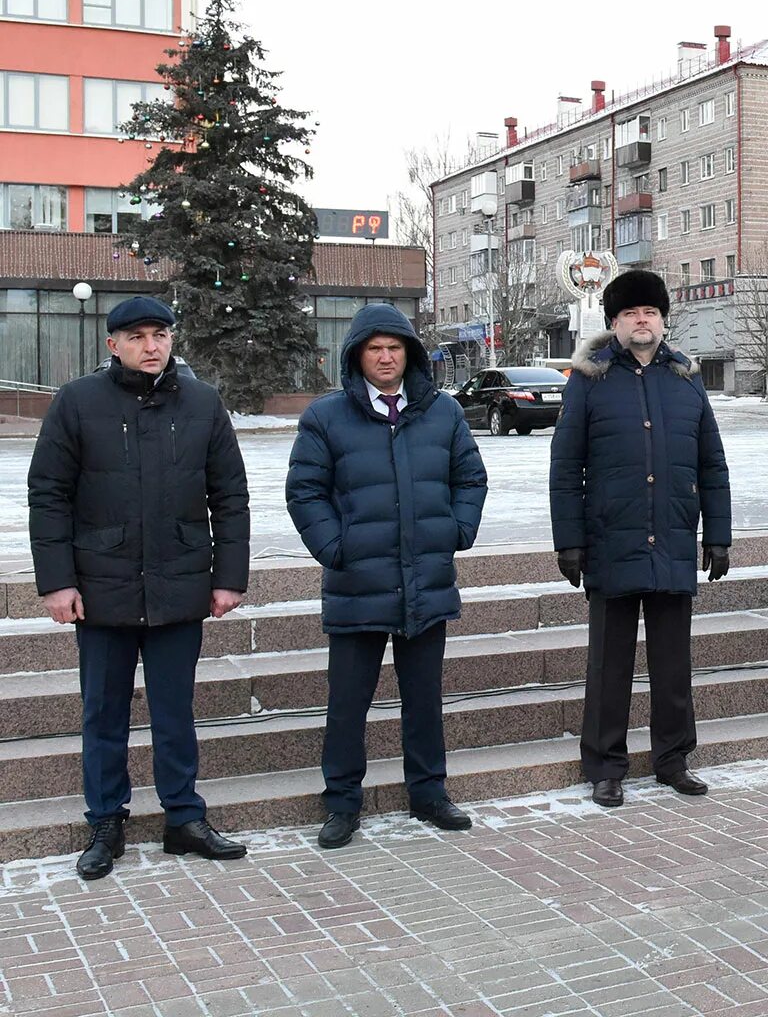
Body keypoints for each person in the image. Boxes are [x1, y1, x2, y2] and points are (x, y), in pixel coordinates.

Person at [27, 296, 250, 879]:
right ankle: (106, 822)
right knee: (103, 711)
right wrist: (57, 583)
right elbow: (48, 495)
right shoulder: (77, 403)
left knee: (176, 710)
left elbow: (229, 497)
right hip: (102, 589)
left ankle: (184, 818)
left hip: (179, 584)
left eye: (161, 334)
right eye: (139, 336)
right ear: (113, 345)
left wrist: (228, 577)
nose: (152, 346)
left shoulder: (202, 402)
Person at [287, 304, 489, 849]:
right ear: (357, 356)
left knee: (424, 698)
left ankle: (429, 793)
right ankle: (342, 804)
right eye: (374, 348)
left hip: (425, 580)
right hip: (358, 584)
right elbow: (304, 491)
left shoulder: (442, 413)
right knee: (348, 703)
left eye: (394, 347)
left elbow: (470, 477)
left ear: (409, 355)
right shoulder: (326, 417)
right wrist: (336, 547)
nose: (384, 357)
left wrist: (457, 530)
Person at [551, 269, 731, 806]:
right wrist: (570, 541)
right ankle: (606, 765)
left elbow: (711, 461)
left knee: (674, 664)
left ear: (663, 320)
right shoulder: (590, 379)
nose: (641, 321)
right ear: (614, 322)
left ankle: (672, 759)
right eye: (630, 313)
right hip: (612, 539)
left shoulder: (684, 377)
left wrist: (717, 534)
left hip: (673, 537)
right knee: (610, 663)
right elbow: (566, 466)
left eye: (650, 312)